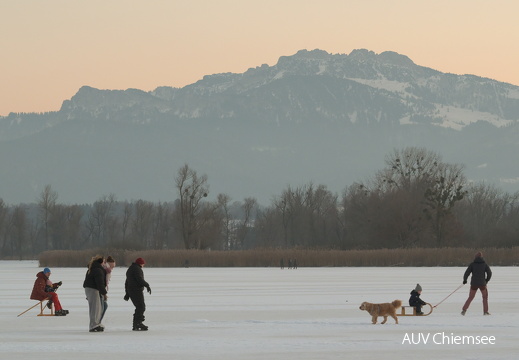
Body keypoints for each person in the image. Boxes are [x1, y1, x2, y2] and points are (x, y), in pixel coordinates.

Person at [125, 257, 152, 331]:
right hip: (136, 290)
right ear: (141, 263)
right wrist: (147, 285)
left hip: (132, 290)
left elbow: (127, 282)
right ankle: (138, 323)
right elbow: (139, 279)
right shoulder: (137, 269)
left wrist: (127, 293)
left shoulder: (131, 268)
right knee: (141, 306)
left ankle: (136, 323)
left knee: (139, 307)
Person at [461, 251, 492, 316]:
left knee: (471, 297)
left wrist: (465, 280)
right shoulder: (484, 264)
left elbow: (467, 272)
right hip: (482, 284)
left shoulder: (472, 264)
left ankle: (464, 310)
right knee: (485, 297)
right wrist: (486, 280)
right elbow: (489, 273)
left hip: (474, 284)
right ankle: (485, 312)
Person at [83, 255, 107, 332]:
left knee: (97, 307)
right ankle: (93, 325)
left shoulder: (93, 268)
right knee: (95, 308)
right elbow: (100, 283)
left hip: (91, 289)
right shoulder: (98, 270)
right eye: (104, 261)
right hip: (93, 289)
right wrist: (104, 293)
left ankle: (96, 323)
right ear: (101, 262)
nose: (104, 263)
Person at [100, 255, 116, 323]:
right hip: (99, 291)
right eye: (112, 267)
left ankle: (98, 322)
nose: (112, 269)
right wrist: (104, 294)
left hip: (101, 290)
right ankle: (97, 322)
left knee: (104, 306)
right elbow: (101, 283)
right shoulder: (104, 270)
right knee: (103, 306)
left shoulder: (106, 270)